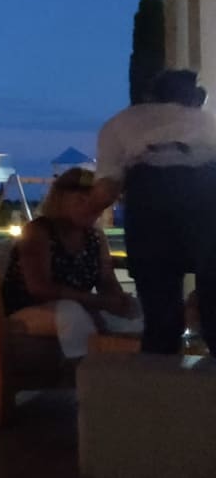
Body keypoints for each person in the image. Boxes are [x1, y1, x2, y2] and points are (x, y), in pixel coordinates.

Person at [91, 69, 216, 354]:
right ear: (195, 99)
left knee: (161, 316)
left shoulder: (122, 122)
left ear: (150, 96)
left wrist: (78, 216)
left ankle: (160, 376)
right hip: (209, 202)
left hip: (151, 207)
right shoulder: (209, 122)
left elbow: (107, 189)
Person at [4, 168, 141, 359]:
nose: (92, 207)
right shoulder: (38, 232)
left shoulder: (95, 237)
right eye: (82, 200)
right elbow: (40, 289)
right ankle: (81, 371)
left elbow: (106, 280)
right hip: (26, 310)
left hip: (80, 305)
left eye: (96, 202)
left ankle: (139, 368)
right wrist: (97, 302)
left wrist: (119, 301)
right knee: (72, 315)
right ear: (61, 200)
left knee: (140, 310)